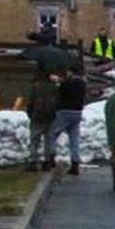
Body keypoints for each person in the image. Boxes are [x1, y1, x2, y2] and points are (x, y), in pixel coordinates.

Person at [19, 29, 68, 172]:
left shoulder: (36, 85)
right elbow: (58, 99)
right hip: (50, 115)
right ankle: (48, 161)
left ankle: (33, 161)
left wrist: (30, 112)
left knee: (34, 139)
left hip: (37, 115)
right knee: (49, 139)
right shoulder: (54, 85)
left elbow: (31, 101)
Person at [52, 67, 87, 176]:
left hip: (64, 111)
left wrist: (57, 81)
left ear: (71, 72)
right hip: (77, 112)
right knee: (74, 139)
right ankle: (75, 163)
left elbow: (61, 91)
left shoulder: (67, 83)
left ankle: (50, 158)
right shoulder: (82, 84)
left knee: (52, 134)